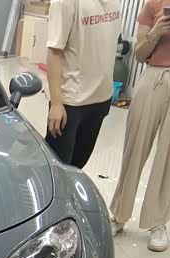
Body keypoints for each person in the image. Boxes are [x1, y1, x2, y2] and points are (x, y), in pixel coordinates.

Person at [110, 0, 170, 252]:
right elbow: (140, 54)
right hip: (152, 76)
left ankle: (158, 222)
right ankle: (119, 214)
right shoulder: (153, 4)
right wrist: (157, 31)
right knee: (134, 148)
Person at [45, 0, 122, 168]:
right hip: (71, 101)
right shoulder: (65, 3)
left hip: (101, 98)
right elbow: (54, 52)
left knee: (79, 164)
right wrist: (56, 103)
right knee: (57, 167)